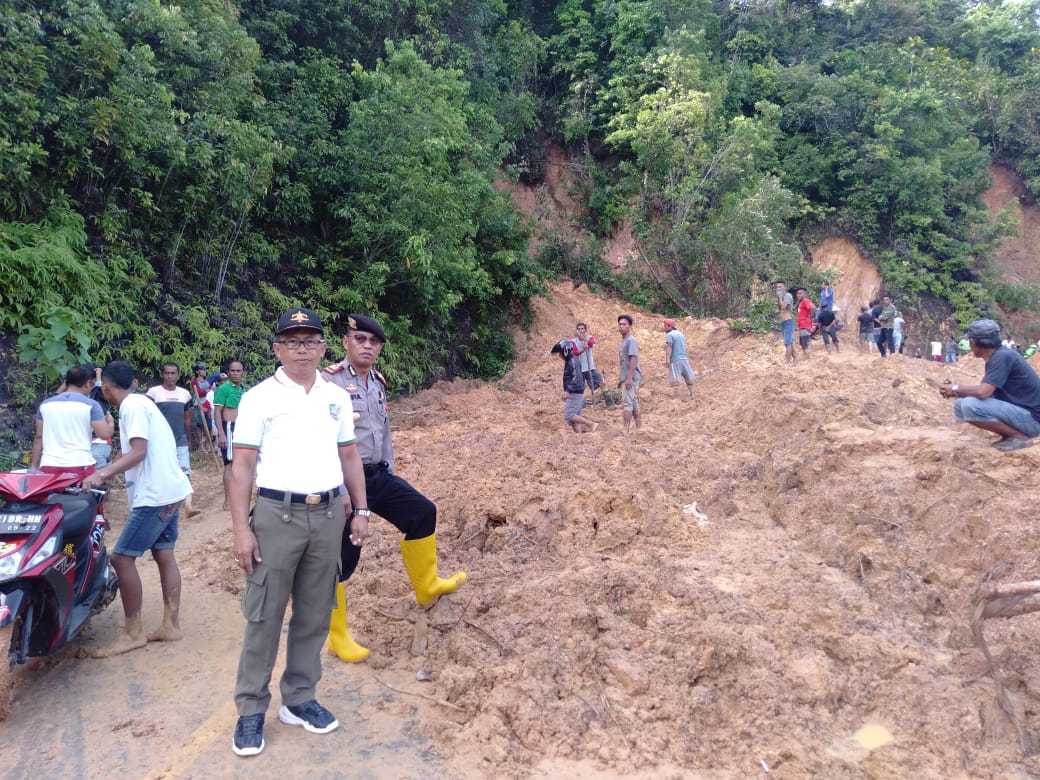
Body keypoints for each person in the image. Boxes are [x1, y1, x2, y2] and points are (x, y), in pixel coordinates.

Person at [228, 308, 369, 757]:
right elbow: (242, 468)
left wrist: (360, 509)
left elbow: (349, 456)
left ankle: (300, 698)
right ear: (277, 349)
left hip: (329, 515)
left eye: (310, 341)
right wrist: (240, 530)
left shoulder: (337, 397)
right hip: (276, 516)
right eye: (292, 341)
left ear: (323, 348)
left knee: (314, 612)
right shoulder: (258, 398)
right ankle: (251, 708)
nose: (301, 349)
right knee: (265, 613)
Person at [320, 314, 469, 663]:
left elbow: (383, 433)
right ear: (346, 342)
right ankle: (337, 634)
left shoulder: (377, 382)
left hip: (377, 475)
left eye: (374, 342)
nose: (367, 346)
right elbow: (325, 441)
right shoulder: (329, 384)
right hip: (343, 480)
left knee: (422, 512)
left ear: (380, 348)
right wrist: (341, 491)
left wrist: (391, 473)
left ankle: (427, 584)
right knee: (340, 559)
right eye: (360, 339)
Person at [82, 361, 192, 657]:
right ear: (132, 382)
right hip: (170, 490)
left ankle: (133, 633)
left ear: (105, 386)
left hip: (155, 495)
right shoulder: (141, 403)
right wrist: (112, 469)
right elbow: (134, 451)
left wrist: (102, 474)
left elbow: (139, 451)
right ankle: (170, 625)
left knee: (121, 559)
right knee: (163, 553)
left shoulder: (131, 406)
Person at [938, 319, 1040, 453]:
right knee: (960, 404)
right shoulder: (999, 356)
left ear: (973, 342)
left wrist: (956, 388)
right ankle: (1010, 435)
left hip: (1033, 421)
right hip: (1023, 415)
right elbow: (988, 393)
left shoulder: (1002, 357)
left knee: (970, 405)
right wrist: (956, 391)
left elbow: (983, 393)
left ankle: (1020, 437)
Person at [30, 364, 114, 477]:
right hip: (80, 464)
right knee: (87, 493)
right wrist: (111, 423)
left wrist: (34, 466)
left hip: (49, 465)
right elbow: (104, 434)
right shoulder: (91, 405)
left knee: (52, 494)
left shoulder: (45, 405)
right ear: (88, 383)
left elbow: (39, 436)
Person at [146, 362, 201, 518]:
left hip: (180, 439)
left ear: (178, 375)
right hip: (159, 441)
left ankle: (188, 505)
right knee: (161, 472)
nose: (170, 376)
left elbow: (187, 419)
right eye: (167, 373)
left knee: (185, 471)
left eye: (173, 373)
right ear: (161, 375)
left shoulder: (185, 394)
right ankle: (163, 505)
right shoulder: (153, 393)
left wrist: (189, 438)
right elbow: (148, 417)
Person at [214, 360, 247, 509]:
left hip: (242, 427)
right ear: (228, 372)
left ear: (243, 373)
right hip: (228, 427)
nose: (235, 373)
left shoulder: (244, 389)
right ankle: (227, 500)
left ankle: (239, 497)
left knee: (241, 463)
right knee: (229, 464)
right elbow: (217, 412)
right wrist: (221, 433)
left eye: (238, 371)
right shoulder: (223, 389)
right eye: (233, 371)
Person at [551, 338, 600, 433]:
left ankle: (591, 424)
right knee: (574, 417)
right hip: (576, 390)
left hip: (575, 392)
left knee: (569, 415)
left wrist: (568, 390)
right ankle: (579, 437)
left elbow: (576, 377)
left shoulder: (573, 361)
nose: (559, 356)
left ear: (565, 352)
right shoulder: (571, 361)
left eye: (560, 353)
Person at [617, 314, 642, 432]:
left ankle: (625, 430)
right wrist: (621, 378)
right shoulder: (624, 341)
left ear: (630, 326)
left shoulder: (631, 340)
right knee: (634, 402)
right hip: (627, 377)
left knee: (627, 404)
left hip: (631, 377)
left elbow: (633, 359)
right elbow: (624, 362)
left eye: (624, 324)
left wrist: (629, 378)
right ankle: (639, 429)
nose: (621, 326)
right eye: (620, 324)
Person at [663, 318, 695, 397]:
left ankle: (678, 399)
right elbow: (678, 345)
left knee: (676, 380)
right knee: (689, 378)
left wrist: (667, 359)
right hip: (684, 359)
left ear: (670, 327)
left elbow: (669, 346)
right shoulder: (681, 334)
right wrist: (666, 346)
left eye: (665, 326)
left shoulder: (669, 335)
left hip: (675, 360)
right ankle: (692, 395)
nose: (665, 328)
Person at [573, 322, 603, 398]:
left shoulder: (589, 338)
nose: (580, 330)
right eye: (579, 329)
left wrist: (584, 340)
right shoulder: (573, 341)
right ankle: (580, 404)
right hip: (580, 369)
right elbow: (575, 353)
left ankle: (609, 401)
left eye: (582, 329)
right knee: (580, 389)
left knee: (601, 382)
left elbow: (592, 344)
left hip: (590, 367)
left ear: (585, 330)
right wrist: (583, 349)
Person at [189, 364, 214, 453]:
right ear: (197, 372)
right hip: (198, 405)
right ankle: (201, 445)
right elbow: (198, 392)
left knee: (209, 424)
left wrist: (208, 392)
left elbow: (211, 391)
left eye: (204, 369)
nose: (204, 371)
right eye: (202, 370)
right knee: (199, 425)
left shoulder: (206, 381)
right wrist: (206, 391)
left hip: (207, 405)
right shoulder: (194, 382)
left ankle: (208, 443)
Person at [775, 281, 796, 365]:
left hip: (788, 322)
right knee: (789, 342)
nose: (779, 288)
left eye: (780, 287)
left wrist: (779, 297)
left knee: (787, 343)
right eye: (777, 287)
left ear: (784, 287)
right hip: (784, 322)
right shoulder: (782, 297)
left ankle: (787, 363)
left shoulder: (787, 296)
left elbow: (783, 307)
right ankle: (795, 360)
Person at [794, 287, 815, 357]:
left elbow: (813, 308)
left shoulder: (805, 300)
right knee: (803, 344)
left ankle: (810, 358)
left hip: (805, 326)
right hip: (802, 327)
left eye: (800, 293)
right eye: (797, 293)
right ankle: (807, 358)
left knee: (806, 344)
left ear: (804, 294)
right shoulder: (801, 302)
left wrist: (809, 317)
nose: (798, 295)